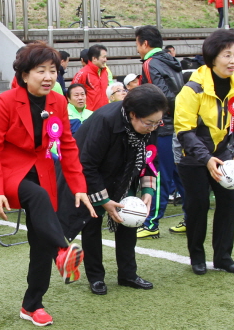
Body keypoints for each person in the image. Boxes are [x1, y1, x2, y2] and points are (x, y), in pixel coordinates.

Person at [0, 42, 94, 327]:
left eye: (53, 70)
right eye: (40, 70)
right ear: (24, 74)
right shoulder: (6, 101)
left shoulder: (58, 101)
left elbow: (67, 145)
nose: (48, 77)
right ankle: (63, 250)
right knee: (39, 197)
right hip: (10, 171)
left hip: (43, 169)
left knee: (39, 241)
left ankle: (32, 304)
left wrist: (78, 186)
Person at [60, 85, 167, 295]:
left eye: (157, 123)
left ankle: (128, 274)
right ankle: (96, 277)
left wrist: (148, 190)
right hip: (91, 175)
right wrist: (104, 201)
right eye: (149, 123)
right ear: (133, 114)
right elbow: (86, 164)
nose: (153, 128)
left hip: (125, 173)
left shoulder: (151, 123)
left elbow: (150, 157)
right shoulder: (105, 120)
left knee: (129, 219)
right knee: (91, 224)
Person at [174, 29, 234, 275]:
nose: (232, 61)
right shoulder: (192, 88)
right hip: (194, 158)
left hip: (224, 154)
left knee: (228, 204)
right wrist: (206, 159)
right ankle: (197, 256)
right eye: (227, 55)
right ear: (212, 57)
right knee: (198, 205)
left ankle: (224, 257)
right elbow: (185, 131)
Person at [135, 25, 186, 238]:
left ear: (145, 43)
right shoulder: (172, 62)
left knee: (157, 173)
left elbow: (160, 96)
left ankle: (151, 222)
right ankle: (191, 217)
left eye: (137, 44)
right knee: (180, 174)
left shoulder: (150, 63)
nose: (137, 48)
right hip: (180, 123)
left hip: (162, 126)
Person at [71, 44, 110, 111]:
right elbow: (72, 94)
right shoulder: (82, 74)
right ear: (94, 59)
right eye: (103, 57)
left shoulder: (105, 72)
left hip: (105, 113)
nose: (105, 60)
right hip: (89, 116)